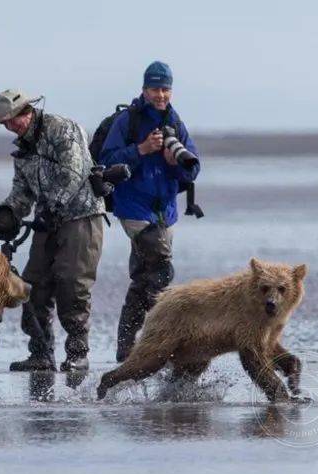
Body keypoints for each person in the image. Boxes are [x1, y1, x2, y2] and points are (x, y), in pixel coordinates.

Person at [0, 89, 105, 372]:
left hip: (82, 216)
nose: (10, 127)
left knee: (73, 284)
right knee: (33, 284)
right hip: (45, 221)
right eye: (5, 124)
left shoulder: (63, 129)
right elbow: (22, 192)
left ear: (27, 111)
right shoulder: (22, 151)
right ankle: (40, 353)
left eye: (12, 120)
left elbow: (74, 173)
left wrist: (55, 206)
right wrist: (7, 212)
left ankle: (77, 353)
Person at [98, 61, 201, 362]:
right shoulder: (127, 122)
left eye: (166, 89)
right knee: (161, 270)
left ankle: (128, 347)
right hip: (133, 208)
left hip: (164, 212)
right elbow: (107, 163)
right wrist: (141, 150)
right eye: (155, 88)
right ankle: (162, 343)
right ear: (144, 89)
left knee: (145, 277)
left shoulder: (175, 121)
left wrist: (174, 163)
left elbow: (192, 168)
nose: (161, 95)